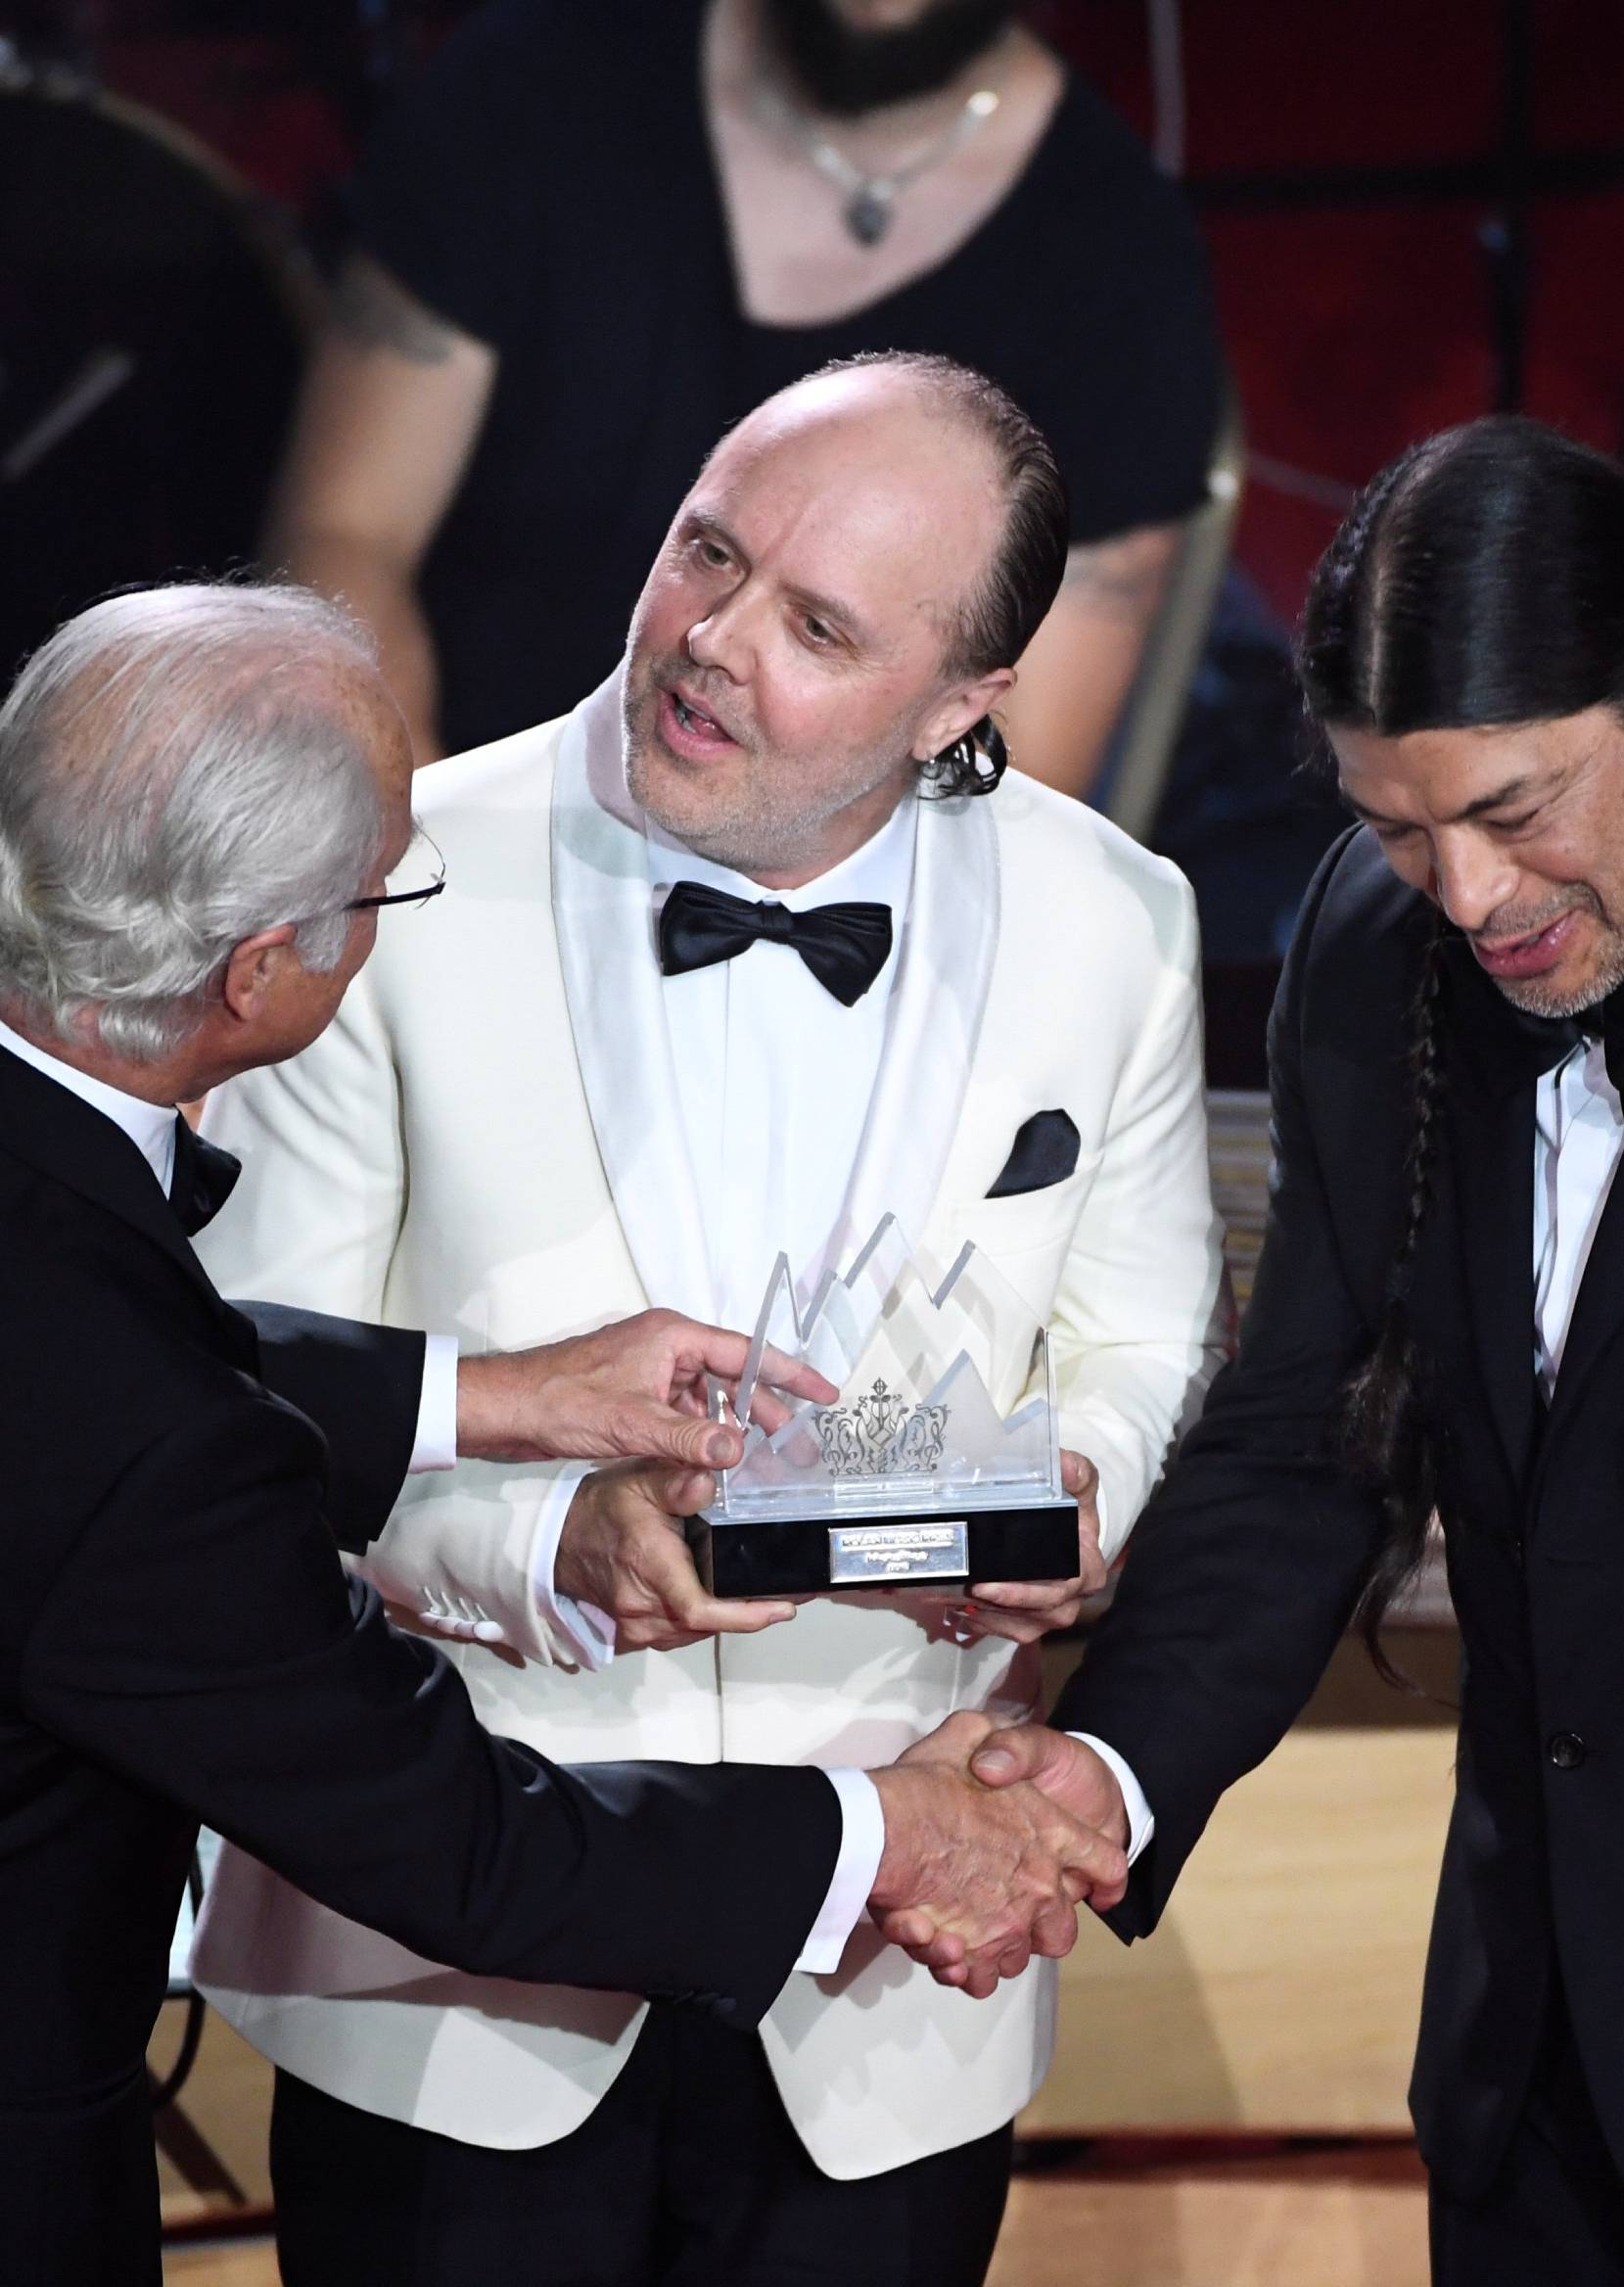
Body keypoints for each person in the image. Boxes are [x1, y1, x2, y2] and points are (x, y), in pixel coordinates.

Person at [191, 352, 1226, 2287]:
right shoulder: (388, 880)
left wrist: (1069, 1489)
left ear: (962, 702)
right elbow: (245, 1405)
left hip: (897, 1987)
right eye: (707, 555)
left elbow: (1143, 1331)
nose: (711, 641)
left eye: (816, 624)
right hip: (460, 1979)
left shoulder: (1116, 920)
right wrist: (552, 1546)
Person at [0, 581, 1128, 2287]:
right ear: (255, 973)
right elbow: (463, 1845)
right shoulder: (148, 1447)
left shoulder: (72, 1259)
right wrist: (880, 1830)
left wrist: (495, 1391)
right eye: (386, 881)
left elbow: (101, 1366)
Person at [918, 414, 1624, 2287]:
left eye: (1515, 813)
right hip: (1527, 2079)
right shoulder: (1380, 950)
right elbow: (1307, 1443)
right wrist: (1104, 1777)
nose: (1465, 896)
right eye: (1392, 824)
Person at [267, 0, 1225, 793]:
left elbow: (1016, 766)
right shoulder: (528, 81)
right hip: (431, 818)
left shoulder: (1125, 268)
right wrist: (426, 867)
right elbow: (345, 535)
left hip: (795, 924)